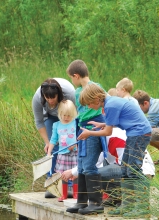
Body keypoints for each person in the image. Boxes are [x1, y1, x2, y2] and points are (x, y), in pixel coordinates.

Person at [77, 83, 152, 218]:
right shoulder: (109, 102)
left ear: (96, 99)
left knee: (133, 169)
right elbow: (117, 121)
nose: (88, 107)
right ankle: (128, 205)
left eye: (89, 103)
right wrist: (102, 124)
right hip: (134, 133)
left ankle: (143, 206)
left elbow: (107, 132)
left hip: (140, 133)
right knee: (125, 169)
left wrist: (89, 133)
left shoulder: (110, 105)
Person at [61, 127, 156, 206]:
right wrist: (76, 172)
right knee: (98, 169)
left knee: (93, 175)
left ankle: (130, 198)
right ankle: (118, 197)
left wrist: (74, 172)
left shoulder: (114, 136)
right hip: (125, 169)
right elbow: (96, 161)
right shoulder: (106, 135)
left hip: (140, 173)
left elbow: (129, 167)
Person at [66, 60, 107, 215]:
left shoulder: (96, 88)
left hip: (93, 129)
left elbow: (106, 104)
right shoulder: (77, 92)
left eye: (71, 78)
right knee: (82, 165)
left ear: (76, 76)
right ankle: (81, 202)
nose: (72, 81)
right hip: (82, 129)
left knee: (89, 165)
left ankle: (96, 203)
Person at [31, 78, 75, 198]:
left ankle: (70, 186)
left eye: (53, 97)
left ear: (59, 95)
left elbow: (77, 114)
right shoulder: (37, 98)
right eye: (47, 98)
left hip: (69, 117)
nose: (50, 100)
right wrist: (47, 142)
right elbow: (39, 122)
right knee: (53, 150)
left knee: (69, 150)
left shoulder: (70, 93)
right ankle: (52, 186)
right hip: (51, 118)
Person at [47, 100, 78, 202]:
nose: (66, 118)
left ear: (73, 114)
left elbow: (80, 137)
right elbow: (53, 139)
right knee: (63, 175)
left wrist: (75, 144)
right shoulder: (56, 125)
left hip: (74, 153)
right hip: (62, 154)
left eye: (69, 115)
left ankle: (76, 193)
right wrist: (49, 152)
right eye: (64, 115)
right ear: (60, 114)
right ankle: (64, 194)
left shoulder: (75, 122)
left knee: (75, 173)